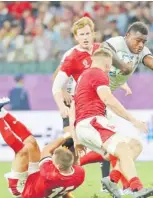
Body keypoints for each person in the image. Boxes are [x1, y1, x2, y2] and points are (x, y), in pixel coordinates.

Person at [52, 16, 132, 192]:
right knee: (70, 145)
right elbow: (56, 82)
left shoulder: (99, 50)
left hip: (99, 108)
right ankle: (57, 179)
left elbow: (110, 71)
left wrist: (122, 83)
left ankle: (113, 184)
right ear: (76, 37)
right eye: (82, 34)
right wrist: (62, 104)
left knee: (111, 143)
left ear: (93, 34)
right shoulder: (71, 56)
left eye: (88, 33)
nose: (86, 37)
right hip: (78, 108)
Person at [73, 47, 153, 198]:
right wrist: (133, 120)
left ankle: (112, 179)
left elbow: (75, 106)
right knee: (122, 148)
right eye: (110, 66)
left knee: (134, 145)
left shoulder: (84, 75)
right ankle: (137, 188)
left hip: (85, 125)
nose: (110, 70)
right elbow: (108, 100)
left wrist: (77, 136)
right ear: (108, 64)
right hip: (93, 122)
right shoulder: (98, 74)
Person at [0, 92, 85, 198]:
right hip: (37, 177)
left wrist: (69, 135)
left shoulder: (49, 173)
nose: (51, 159)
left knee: (22, 151)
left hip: (23, 188)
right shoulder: (79, 174)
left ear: (58, 166)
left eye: (53, 159)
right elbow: (65, 188)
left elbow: (47, 150)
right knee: (31, 141)